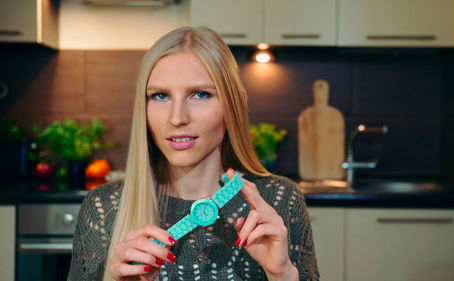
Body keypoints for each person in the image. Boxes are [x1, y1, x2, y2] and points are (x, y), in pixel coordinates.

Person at [67, 26, 318, 281]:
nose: (177, 118)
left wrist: (282, 274)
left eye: (200, 94)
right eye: (160, 95)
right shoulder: (103, 208)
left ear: (236, 104)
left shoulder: (281, 200)